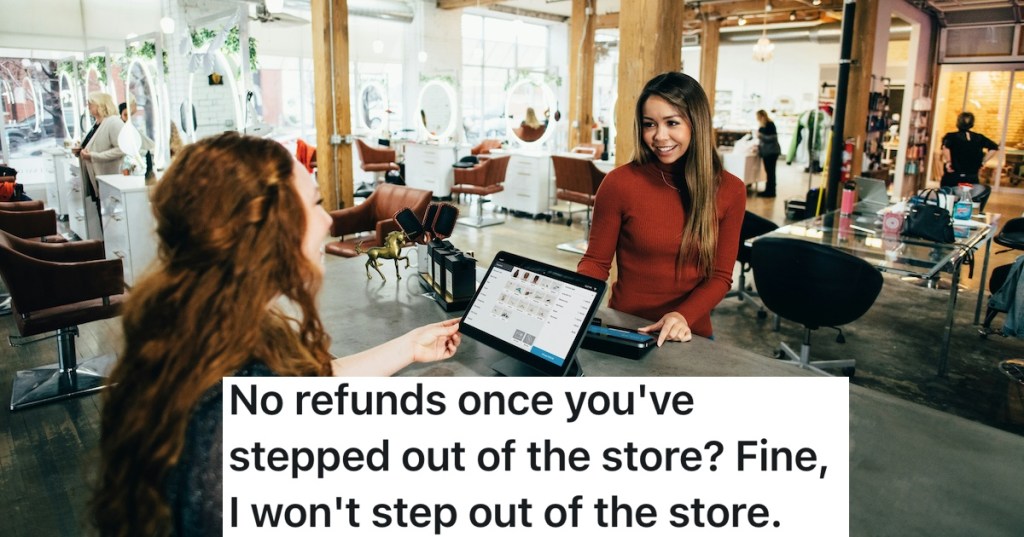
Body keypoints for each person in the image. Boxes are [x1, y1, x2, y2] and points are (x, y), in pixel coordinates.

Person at [91, 133, 462, 536]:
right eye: (316, 204)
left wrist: (409, 346)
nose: (328, 222)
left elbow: (306, 385)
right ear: (265, 230)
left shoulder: (199, 325)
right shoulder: (229, 423)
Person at [578, 72, 745, 345]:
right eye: (649, 124)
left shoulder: (730, 190)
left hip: (689, 334)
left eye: (672, 122)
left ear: (696, 124)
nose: (659, 136)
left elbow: (720, 277)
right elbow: (596, 263)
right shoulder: (619, 183)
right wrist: (571, 304)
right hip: (626, 329)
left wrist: (681, 316)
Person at [79, 92, 124, 199]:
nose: (88, 106)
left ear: (101, 104)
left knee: (107, 211)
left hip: (108, 176)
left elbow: (121, 149)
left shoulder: (114, 123)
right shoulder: (97, 123)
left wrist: (93, 156)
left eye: (91, 103)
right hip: (94, 175)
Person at [941, 111, 999, 188]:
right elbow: (994, 147)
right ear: (972, 124)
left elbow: (945, 148)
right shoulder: (979, 137)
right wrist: (983, 161)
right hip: (972, 176)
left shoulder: (951, 136)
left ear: (958, 122)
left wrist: (949, 162)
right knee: (970, 196)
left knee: (948, 196)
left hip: (954, 175)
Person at [755, 109, 781, 197]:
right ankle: (769, 190)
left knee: (771, 172)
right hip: (767, 152)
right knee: (769, 172)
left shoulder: (770, 124)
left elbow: (773, 138)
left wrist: (761, 136)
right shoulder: (763, 126)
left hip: (771, 152)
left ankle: (771, 192)